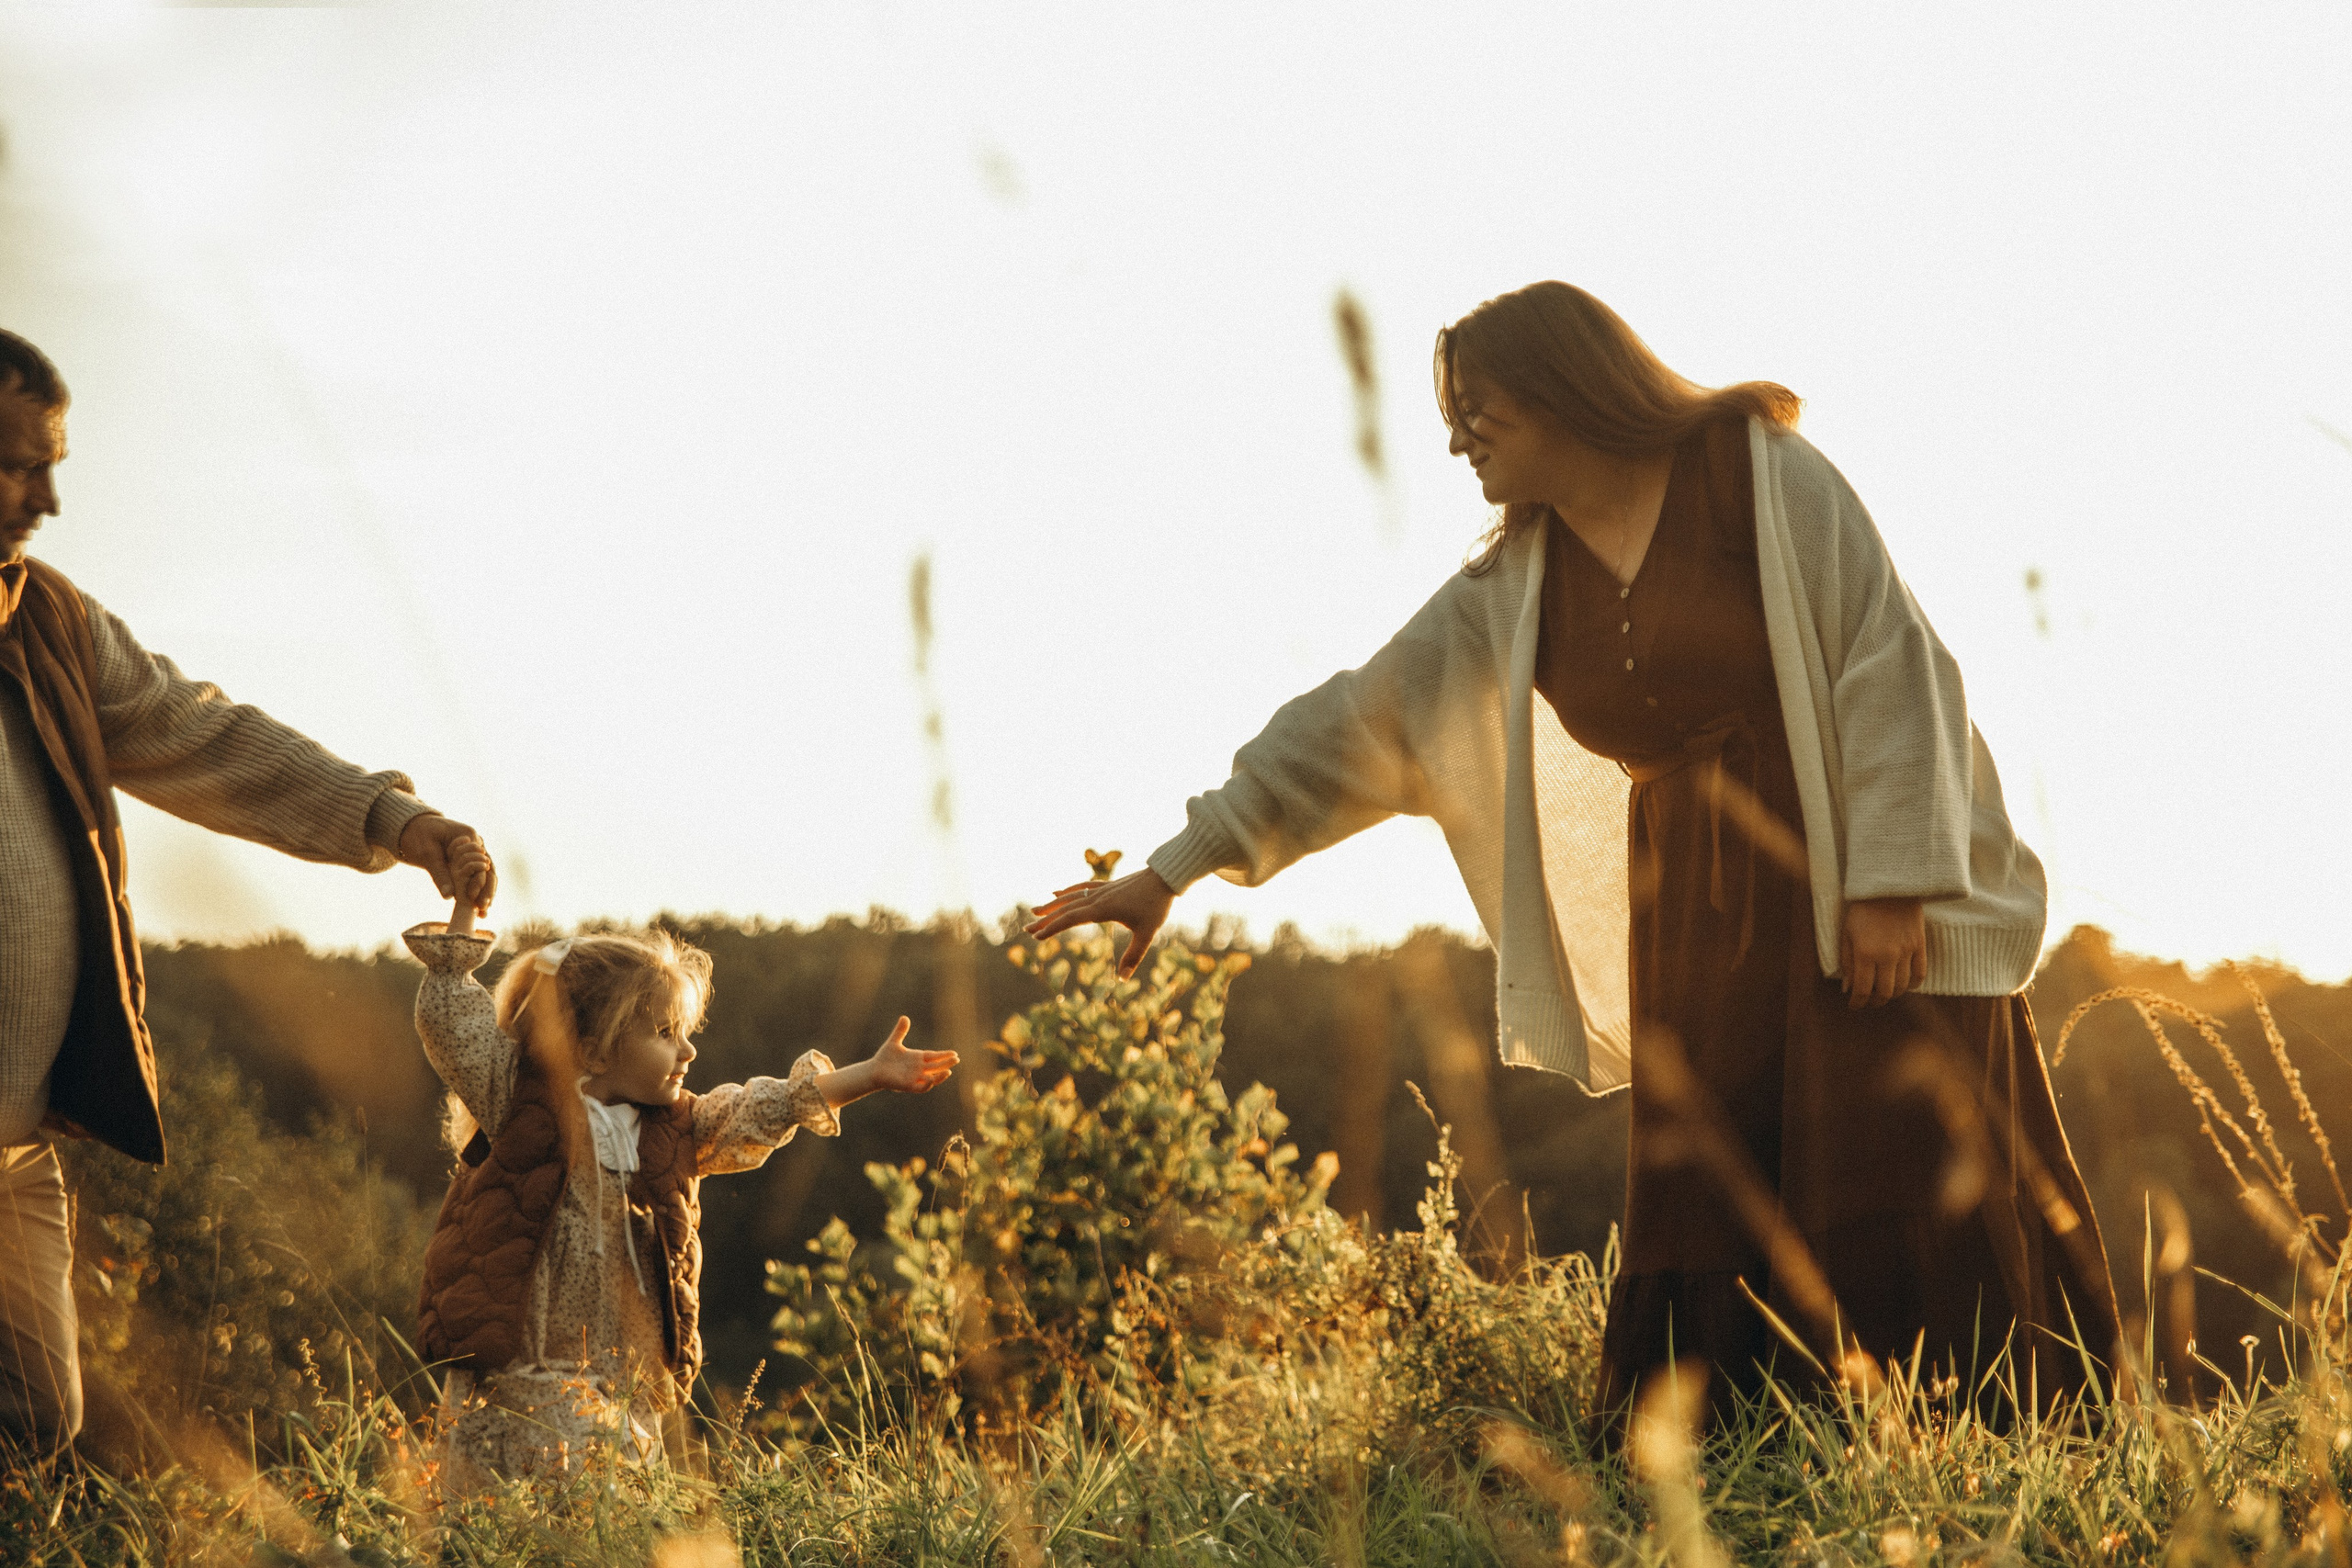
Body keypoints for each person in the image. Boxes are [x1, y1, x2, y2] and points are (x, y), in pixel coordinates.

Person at [1026, 281, 2121, 1423]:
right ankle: (1750, 1457)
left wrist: (1897, 882)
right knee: (1720, 1189)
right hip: (1698, 923)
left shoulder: (1754, 471)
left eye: (1476, 409)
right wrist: (1174, 866)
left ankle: (1972, 1443)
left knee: (1888, 1168)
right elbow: (1364, 719)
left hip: (1853, 892)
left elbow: (1890, 661)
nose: (1454, 438)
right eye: (1450, 416)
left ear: (1564, 390)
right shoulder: (1516, 583)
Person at [0, 328, 496, 1453]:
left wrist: (394, 819)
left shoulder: (49, 624)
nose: (49, 499)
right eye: (20, 465)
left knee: (37, 1417)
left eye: (54, 462)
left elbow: (203, 734)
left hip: (14, 1144)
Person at [403, 845, 957, 1490]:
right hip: (515, 1390)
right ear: (590, 1044)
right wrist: (467, 909)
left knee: (612, 1518)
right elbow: (451, 1016)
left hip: (616, 1400)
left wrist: (868, 1074)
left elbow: (760, 1108)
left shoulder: (673, 1130)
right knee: (520, 1524)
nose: (688, 1049)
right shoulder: (519, 1101)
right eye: (666, 1031)